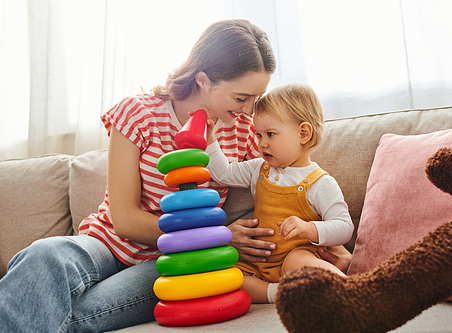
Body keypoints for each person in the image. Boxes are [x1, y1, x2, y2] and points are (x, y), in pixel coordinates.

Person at [0, 19, 278, 332]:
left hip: (172, 262)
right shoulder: (138, 114)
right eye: (241, 98)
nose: (250, 110)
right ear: (203, 80)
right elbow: (125, 220)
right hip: (106, 244)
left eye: (256, 98)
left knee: (70, 311)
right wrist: (217, 237)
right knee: (43, 255)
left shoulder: (246, 130)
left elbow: (283, 186)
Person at [205, 83, 354, 303]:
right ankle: (276, 293)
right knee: (224, 276)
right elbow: (223, 173)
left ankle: (352, 292)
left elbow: (344, 228)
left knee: (299, 262)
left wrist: (310, 229)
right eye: (258, 134)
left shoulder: (320, 183)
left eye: (270, 134)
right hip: (258, 262)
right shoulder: (258, 169)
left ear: (303, 133)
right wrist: (209, 139)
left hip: (296, 257)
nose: (262, 143)